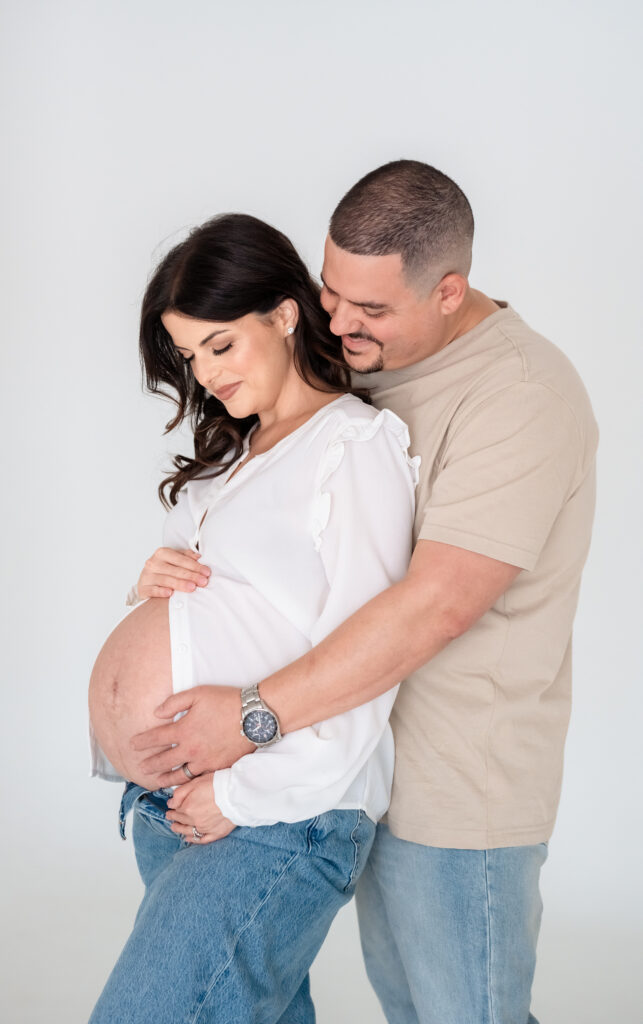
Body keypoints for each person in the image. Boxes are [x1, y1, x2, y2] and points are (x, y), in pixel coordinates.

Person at [133, 161, 599, 1024]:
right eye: (331, 291)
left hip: (456, 790)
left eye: (372, 309)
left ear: (449, 291)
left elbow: (438, 604)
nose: (339, 321)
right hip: (335, 766)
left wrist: (245, 716)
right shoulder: (360, 363)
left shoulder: (518, 396)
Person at [88, 212, 418, 1023]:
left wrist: (239, 796)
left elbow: (370, 656)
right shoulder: (229, 461)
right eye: (189, 356)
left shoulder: (353, 445)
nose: (204, 375)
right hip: (178, 803)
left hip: (277, 812)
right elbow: (228, 615)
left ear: (283, 312)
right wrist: (153, 590)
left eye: (220, 345)